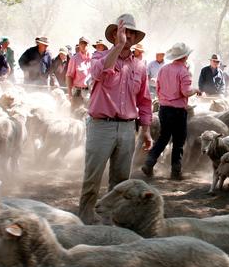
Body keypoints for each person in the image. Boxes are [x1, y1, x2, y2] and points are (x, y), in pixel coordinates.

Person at [78, 13, 152, 224]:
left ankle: (112, 220)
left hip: (128, 128)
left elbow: (145, 100)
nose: (127, 36)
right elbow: (100, 73)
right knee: (93, 176)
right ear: (114, 34)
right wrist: (118, 47)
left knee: (121, 181)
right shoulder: (98, 58)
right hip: (101, 126)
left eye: (131, 33)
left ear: (136, 37)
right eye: (123, 31)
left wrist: (146, 129)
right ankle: (84, 218)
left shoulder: (139, 66)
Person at [141, 42, 200, 180]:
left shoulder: (163, 69)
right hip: (178, 110)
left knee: (163, 137)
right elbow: (185, 92)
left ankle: (149, 162)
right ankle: (176, 171)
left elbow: (158, 88)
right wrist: (196, 90)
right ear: (185, 57)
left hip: (164, 109)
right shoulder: (184, 72)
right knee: (179, 141)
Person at [66, 36, 91, 109]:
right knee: (75, 114)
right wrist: (70, 93)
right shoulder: (74, 59)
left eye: (85, 44)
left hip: (89, 92)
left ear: (88, 45)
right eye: (82, 43)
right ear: (79, 45)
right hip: (78, 91)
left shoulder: (93, 58)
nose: (84, 45)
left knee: (88, 114)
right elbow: (69, 76)